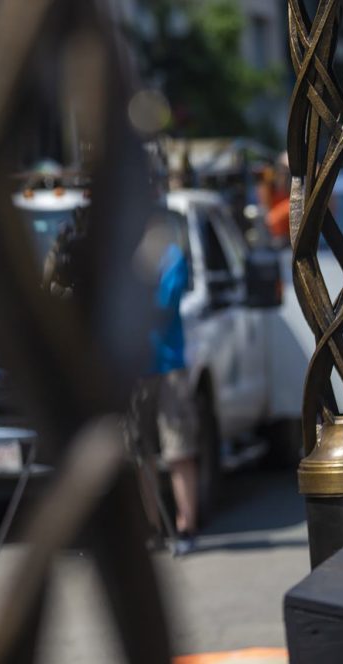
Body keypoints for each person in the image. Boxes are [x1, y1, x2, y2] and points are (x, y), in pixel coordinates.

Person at [130, 212, 200, 556]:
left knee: (178, 451)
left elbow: (160, 306)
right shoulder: (125, 259)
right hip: (135, 368)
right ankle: (151, 528)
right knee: (139, 451)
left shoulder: (172, 257)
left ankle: (185, 527)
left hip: (168, 366)